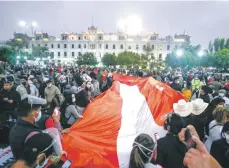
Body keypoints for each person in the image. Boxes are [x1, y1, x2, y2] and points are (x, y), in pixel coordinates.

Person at [9, 95, 63, 160]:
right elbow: (58, 144)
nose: (40, 113)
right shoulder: (34, 135)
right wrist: (57, 122)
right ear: (33, 113)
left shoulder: (16, 126)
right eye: (39, 110)